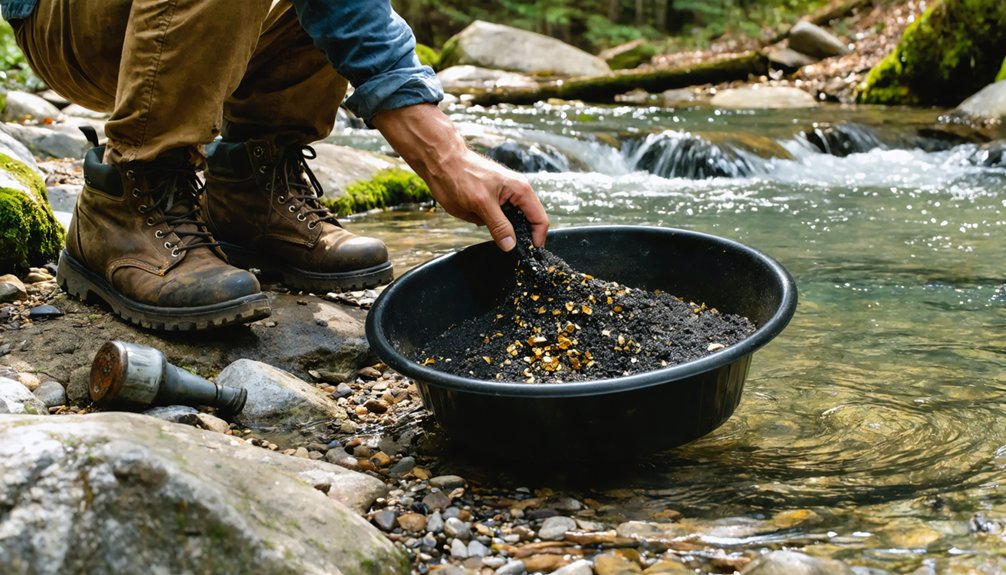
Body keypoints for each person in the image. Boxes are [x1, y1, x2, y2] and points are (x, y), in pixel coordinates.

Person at [0, 0, 549, 330]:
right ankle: (129, 198)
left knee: (340, 15)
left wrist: (447, 153)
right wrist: (440, 155)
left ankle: (252, 188)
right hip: (70, 23)